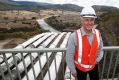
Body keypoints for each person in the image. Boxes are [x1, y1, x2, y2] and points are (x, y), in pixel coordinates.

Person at [66, 6, 103, 80]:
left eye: (92, 20)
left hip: (93, 66)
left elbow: (100, 49)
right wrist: (73, 70)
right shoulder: (74, 36)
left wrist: (97, 60)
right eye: (86, 20)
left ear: (94, 20)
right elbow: (69, 57)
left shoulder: (98, 33)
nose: (89, 23)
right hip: (80, 69)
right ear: (82, 20)